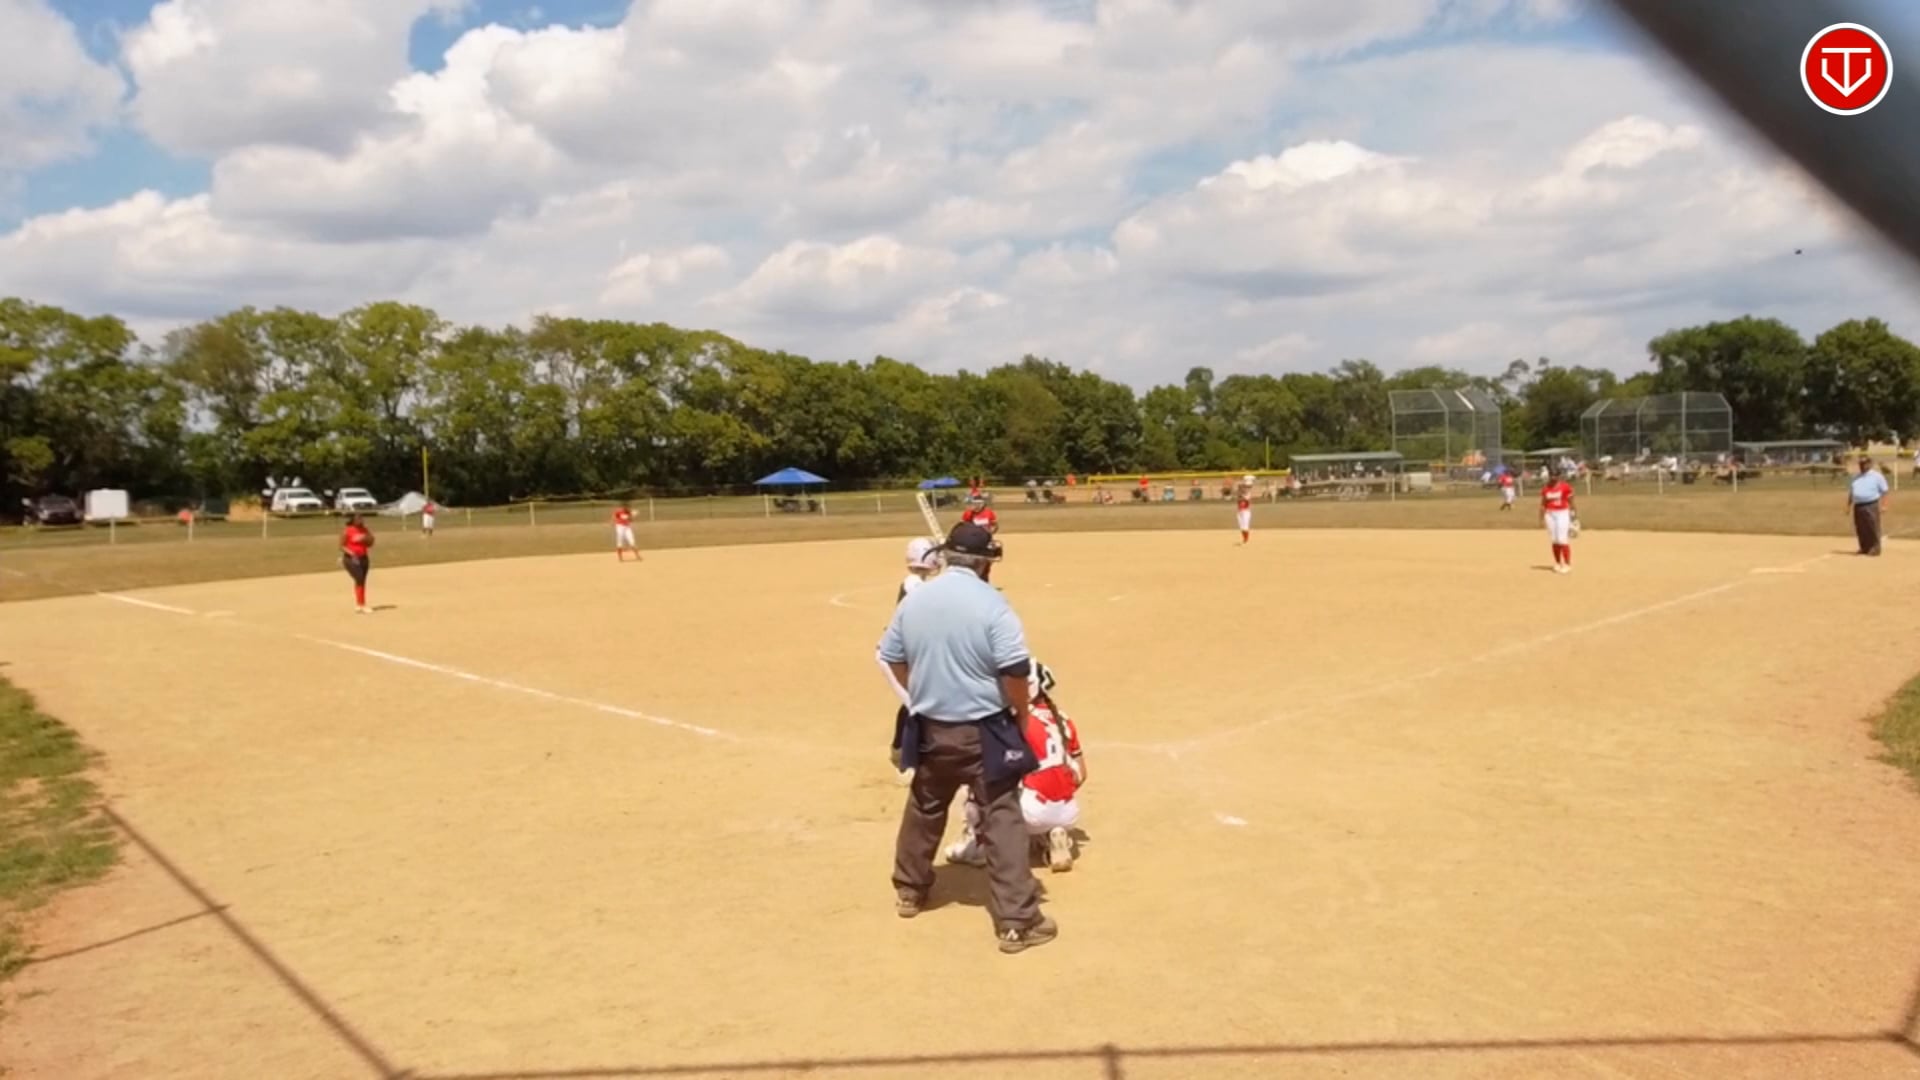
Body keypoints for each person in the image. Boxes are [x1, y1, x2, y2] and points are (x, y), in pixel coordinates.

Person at [878, 522, 1056, 954]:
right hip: (984, 729)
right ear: (985, 564)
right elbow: (1015, 669)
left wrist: (922, 691)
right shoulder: (993, 604)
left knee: (925, 804)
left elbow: (891, 656)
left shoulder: (916, 600)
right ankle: (1017, 921)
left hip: (930, 725)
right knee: (1001, 814)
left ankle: (910, 889)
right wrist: (1021, 713)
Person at [946, 660, 1087, 873]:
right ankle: (1050, 834)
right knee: (1040, 779)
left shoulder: (1017, 719)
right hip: (1069, 810)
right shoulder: (1063, 720)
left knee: (980, 778)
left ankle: (978, 844)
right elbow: (1081, 774)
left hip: (1034, 810)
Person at [883, 538, 944, 777]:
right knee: (915, 702)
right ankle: (906, 758)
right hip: (904, 651)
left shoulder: (917, 583)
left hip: (910, 649)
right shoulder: (914, 585)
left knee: (915, 700)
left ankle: (902, 750)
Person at [1847, 455, 1890, 556]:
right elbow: (1851, 492)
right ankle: (1864, 547)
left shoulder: (1877, 476)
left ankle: (1875, 548)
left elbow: (1884, 491)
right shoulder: (1856, 477)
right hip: (1858, 506)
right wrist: (1848, 505)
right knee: (1861, 528)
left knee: (1872, 527)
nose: (1862, 466)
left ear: (1870, 464)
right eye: (1860, 464)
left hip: (1871, 504)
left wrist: (1884, 505)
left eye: (1864, 463)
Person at [1539, 467, 1577, 574]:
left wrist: (1574, 515)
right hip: (1549, 514)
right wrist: (1541, 518)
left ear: (1559, 476)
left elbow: (1571, 501)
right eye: (1551, 475)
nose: (1553, 477)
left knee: (1562, 539)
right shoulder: (1546, 488)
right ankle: (1557, 563)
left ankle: (1567, 564)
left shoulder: (1565, 487)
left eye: (1556, 475)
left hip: (1562, 513)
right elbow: (1543, 504)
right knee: (1555, 540)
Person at [340, 514, 374, 614]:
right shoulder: (347, 530)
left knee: (361, 580)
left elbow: (370, 543)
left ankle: (359, 604)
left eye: (362, 518)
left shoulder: (365, 530)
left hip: (363, 557)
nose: (361, 520)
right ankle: (362, 604)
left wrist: (368, 539)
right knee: (359, 578)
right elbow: (341, 546)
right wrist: (351, 553)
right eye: (358, 519)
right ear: (353, 520)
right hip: (351, 559)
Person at [1235, 477, 1253, 545]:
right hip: (1239, 511)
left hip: (1246, 511)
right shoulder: (1239, 494)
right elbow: (1239, 498)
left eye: (1242, 488)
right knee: (1241, 527)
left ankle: (1246, 540)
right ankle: (1244, 539)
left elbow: (1247, 498)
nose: (1241, 489)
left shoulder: (1247, 493)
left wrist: (1242, 493)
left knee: (1245, 526)